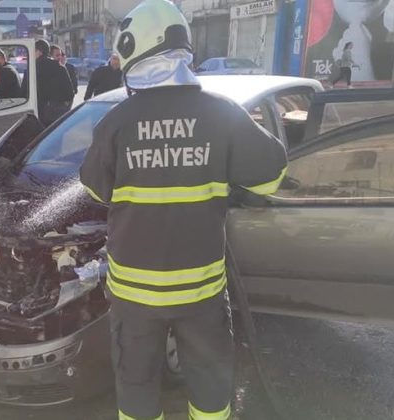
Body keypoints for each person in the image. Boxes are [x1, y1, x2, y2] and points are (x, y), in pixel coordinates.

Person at [79, 1, 287, 419]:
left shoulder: (117, 121)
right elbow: (271, 178)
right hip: (202, 291)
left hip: (134, 295)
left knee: (137, 388)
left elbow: (94, 190)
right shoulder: (222, 113)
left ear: (133, 53)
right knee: (210, 386)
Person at [22, 39, 75, 126]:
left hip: (36, 115)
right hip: (56, 116)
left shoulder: (31, 70)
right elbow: (70, 94)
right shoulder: (60, 67)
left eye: (33, 51)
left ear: (39, 52)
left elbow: (24, 94)